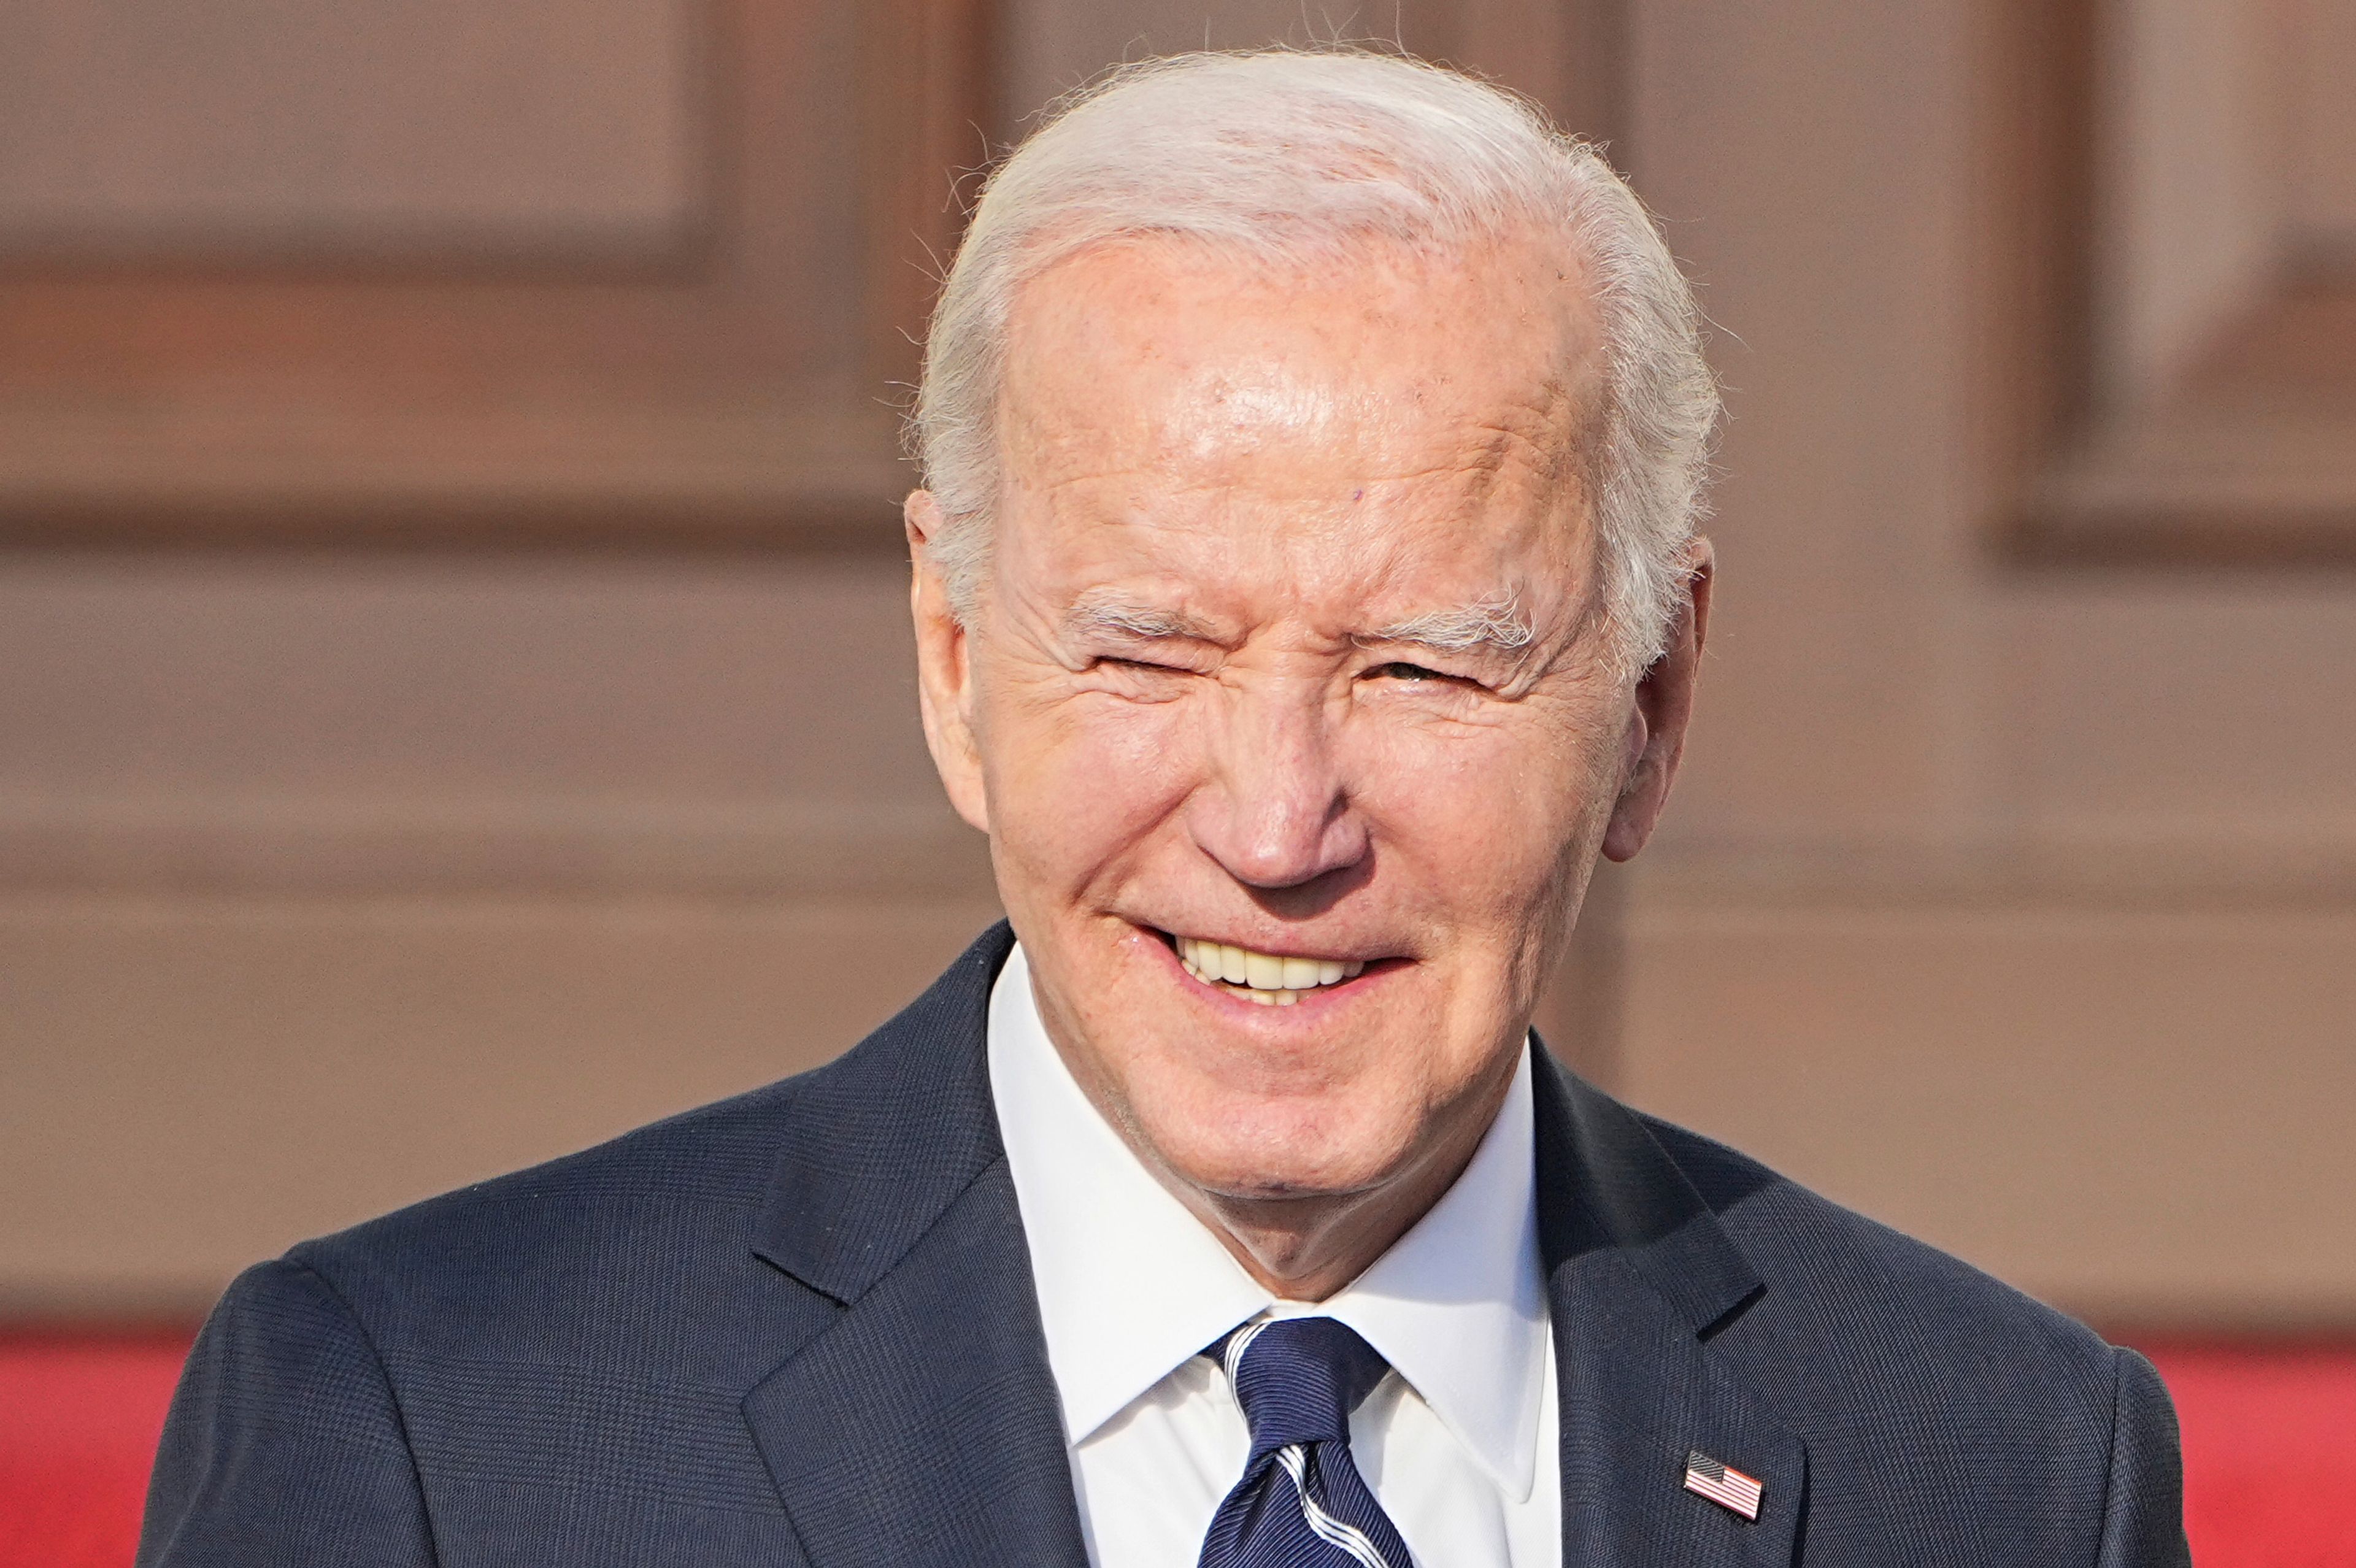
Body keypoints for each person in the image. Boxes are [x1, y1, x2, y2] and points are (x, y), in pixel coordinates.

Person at [138, 48, 2188, 1568]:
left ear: (1651, 702)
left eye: (1422, 663)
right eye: (1150, 652)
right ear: (956, 658)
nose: (1280, 824)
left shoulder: (2002, 1467)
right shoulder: (436, 1437)